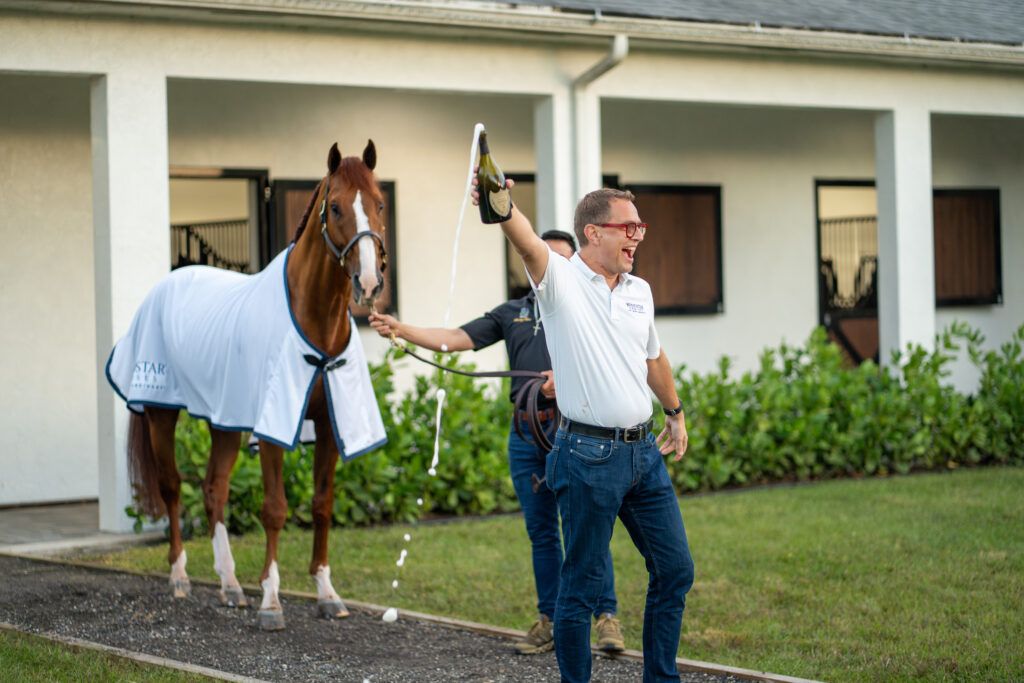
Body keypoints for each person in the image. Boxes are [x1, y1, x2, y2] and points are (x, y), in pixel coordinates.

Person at [368, 231, 625, 656]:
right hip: (526, 435)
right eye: (544, 259)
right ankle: (551, 619)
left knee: (583, 528)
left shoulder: (590, 310)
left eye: (562, 261)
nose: (552, 269)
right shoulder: (513, 313)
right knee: (542, 533)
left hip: (575, 433)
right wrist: (402, 329)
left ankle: (606, 617)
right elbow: (456, 338)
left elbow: (618, 360)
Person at [478, 183, 695, 682]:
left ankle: (661, 678)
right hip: (586, 456)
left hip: (643, 455)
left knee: (675, 569)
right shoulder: (561, 283)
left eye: (640, 227)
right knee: (578, 587)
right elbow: (529, 243)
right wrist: (503, 207)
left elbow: (652, 357)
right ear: (593, 232)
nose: (638, 236)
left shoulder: (639, 290)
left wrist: (674, 411)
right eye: (628, 227)